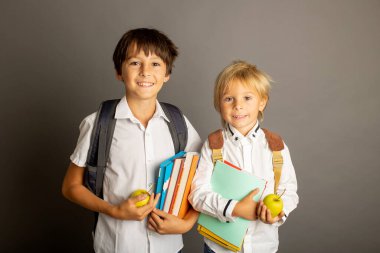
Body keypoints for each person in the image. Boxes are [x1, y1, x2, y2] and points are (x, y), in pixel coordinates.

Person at [62, 28, 202, 253]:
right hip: (117, 245)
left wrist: (187, 222)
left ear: (167, 73)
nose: (146, 72)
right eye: (135, 63)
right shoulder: (98, 123)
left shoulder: (178, 123)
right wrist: (114, 211)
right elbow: (70, 187)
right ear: (119, 71)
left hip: (168, 247)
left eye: (155, 64)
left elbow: (202, 180)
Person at [189, 60, 298, 253]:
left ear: (262, 102)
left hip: (263, 247)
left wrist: (278, 213)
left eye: (247, 98)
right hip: (218, 248)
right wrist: (235, 208)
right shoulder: (214, 145)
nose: (238, 106)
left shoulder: (276, 147)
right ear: (219, 104)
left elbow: (289, 191)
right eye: (229, 99)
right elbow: (197, 194)